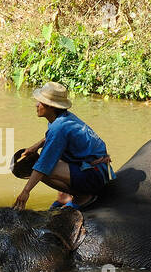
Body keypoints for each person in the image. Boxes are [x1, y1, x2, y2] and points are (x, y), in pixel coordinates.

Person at [12, 82, 113, 211]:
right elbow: (55, 139)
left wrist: (26, 191)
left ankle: (83, 196)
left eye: (40, 102)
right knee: (53, 156)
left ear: (50, 107)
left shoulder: (58, 127)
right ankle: (65, 195)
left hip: (95, 175)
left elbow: (43, 165)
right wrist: (36, 145)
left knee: (37, 167)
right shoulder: (63, 118)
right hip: (96, 168)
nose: (36, 105)